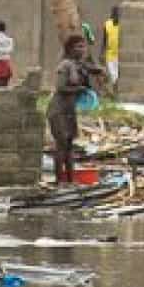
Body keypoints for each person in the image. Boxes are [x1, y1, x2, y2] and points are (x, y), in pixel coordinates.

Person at [47, 34, 97, 185]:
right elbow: (60, 87)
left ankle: (70, 180)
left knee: (69, 147)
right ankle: (59, 181)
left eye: (83, 46)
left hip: (69, 110)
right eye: (78, 47)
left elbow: (91, 70)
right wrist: (79, 89)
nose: (82, 49)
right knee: (61, 146)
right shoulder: (65, 65)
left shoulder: (78, 66)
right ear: (70, 49)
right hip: (58, 110)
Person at [102, 6, 121, 89]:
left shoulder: (122, 24)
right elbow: (104, 39)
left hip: (119, 55)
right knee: (113, 76)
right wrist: (102, 52)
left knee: (117, 76)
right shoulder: (107, 24)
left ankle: (116, 91)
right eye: (115, 13)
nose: (117, 15)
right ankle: (115, 91)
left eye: (118, 13)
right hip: (110, 54)